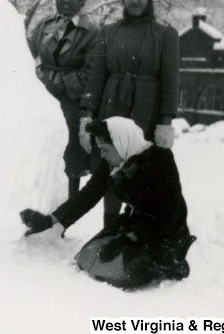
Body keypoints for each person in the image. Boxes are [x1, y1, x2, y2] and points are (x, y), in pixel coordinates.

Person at [19, 117, 195, 290]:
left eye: (105, 149)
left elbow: (168, 213)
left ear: (121, 143)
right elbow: (88, 195)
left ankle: (173, 262)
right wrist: (49, 220)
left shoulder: (160, 159)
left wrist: (128, 239)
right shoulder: (113, 161)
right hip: (134, 223)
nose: (102, 155)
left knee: (125, 273)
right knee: (88, 259)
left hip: (164, 230)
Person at [78, 0, 179, 227]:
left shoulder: (164, 35)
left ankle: (137, 228)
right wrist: (88, 112)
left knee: (140, 169)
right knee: (111, 165)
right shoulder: (108, 32)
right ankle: (110, 227)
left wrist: (165, 121)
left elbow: (170, 81)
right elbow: (97, 76)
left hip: (146, 108)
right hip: (112, 106)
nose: (135, 1)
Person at [27, 0, 99, 198]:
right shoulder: (44, 24)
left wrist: (58, 84)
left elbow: (90, 72)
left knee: (68, 135)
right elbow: (25, 51)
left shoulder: (92, 32)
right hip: (41, 91)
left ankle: (68, 198)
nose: (66, 0)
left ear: (81, 0)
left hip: (70, 97)